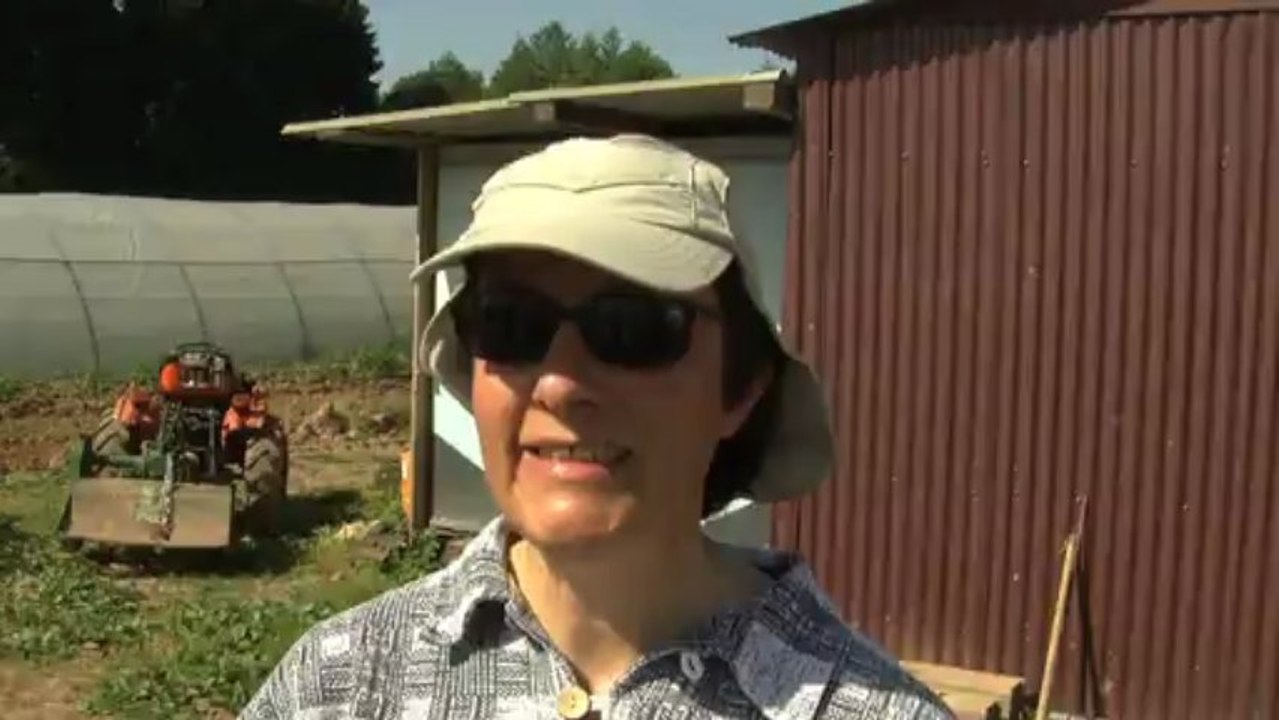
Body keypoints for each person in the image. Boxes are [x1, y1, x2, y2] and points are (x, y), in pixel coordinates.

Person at [240, 134, 953, 719]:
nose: (559, 383)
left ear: (740, 390)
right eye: (511, 325)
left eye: (633, 329)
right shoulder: (339, 686)